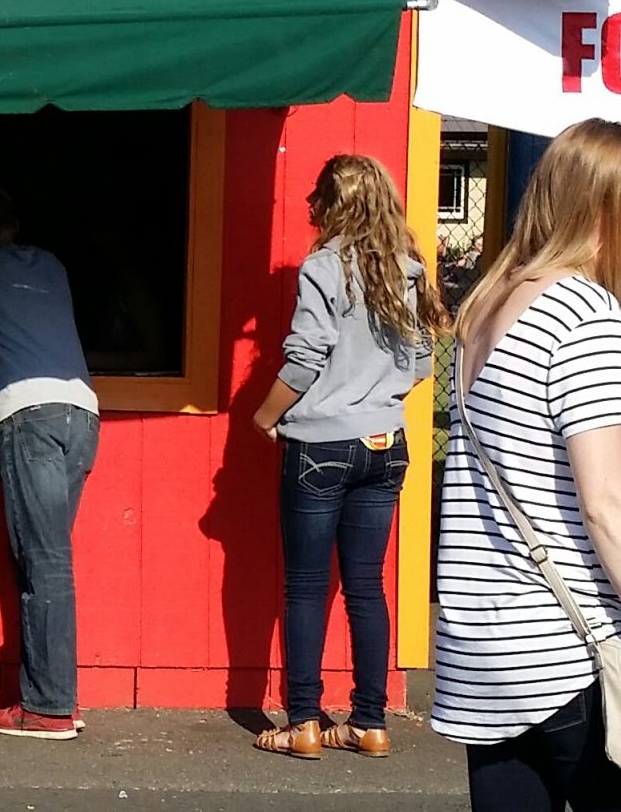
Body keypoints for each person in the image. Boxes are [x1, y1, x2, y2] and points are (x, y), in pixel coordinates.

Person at [433, 119, 621, 810]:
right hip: (568, 644)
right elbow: (605, 501)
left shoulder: (488, 303)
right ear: (607, 207)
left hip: (483, 644)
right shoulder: (587, 314)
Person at [248, 155, 444, 758]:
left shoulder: (324, 268)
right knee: (366, 586)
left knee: (306, 586)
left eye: (317, 196)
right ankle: (370, 722)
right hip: (386, 445)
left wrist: (264, 414)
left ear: (335, 204)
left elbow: (307, 356)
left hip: (321, 446)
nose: (310, 206)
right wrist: (372, 398)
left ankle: (304, 721)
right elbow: (419, 365)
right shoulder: (407, 271)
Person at [0, 186, 96, 741]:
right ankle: (53, 698)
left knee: (43, 562)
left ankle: (49, 706)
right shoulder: (51, 264)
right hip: (82, 412)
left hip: (26, 411)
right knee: (47, 558)